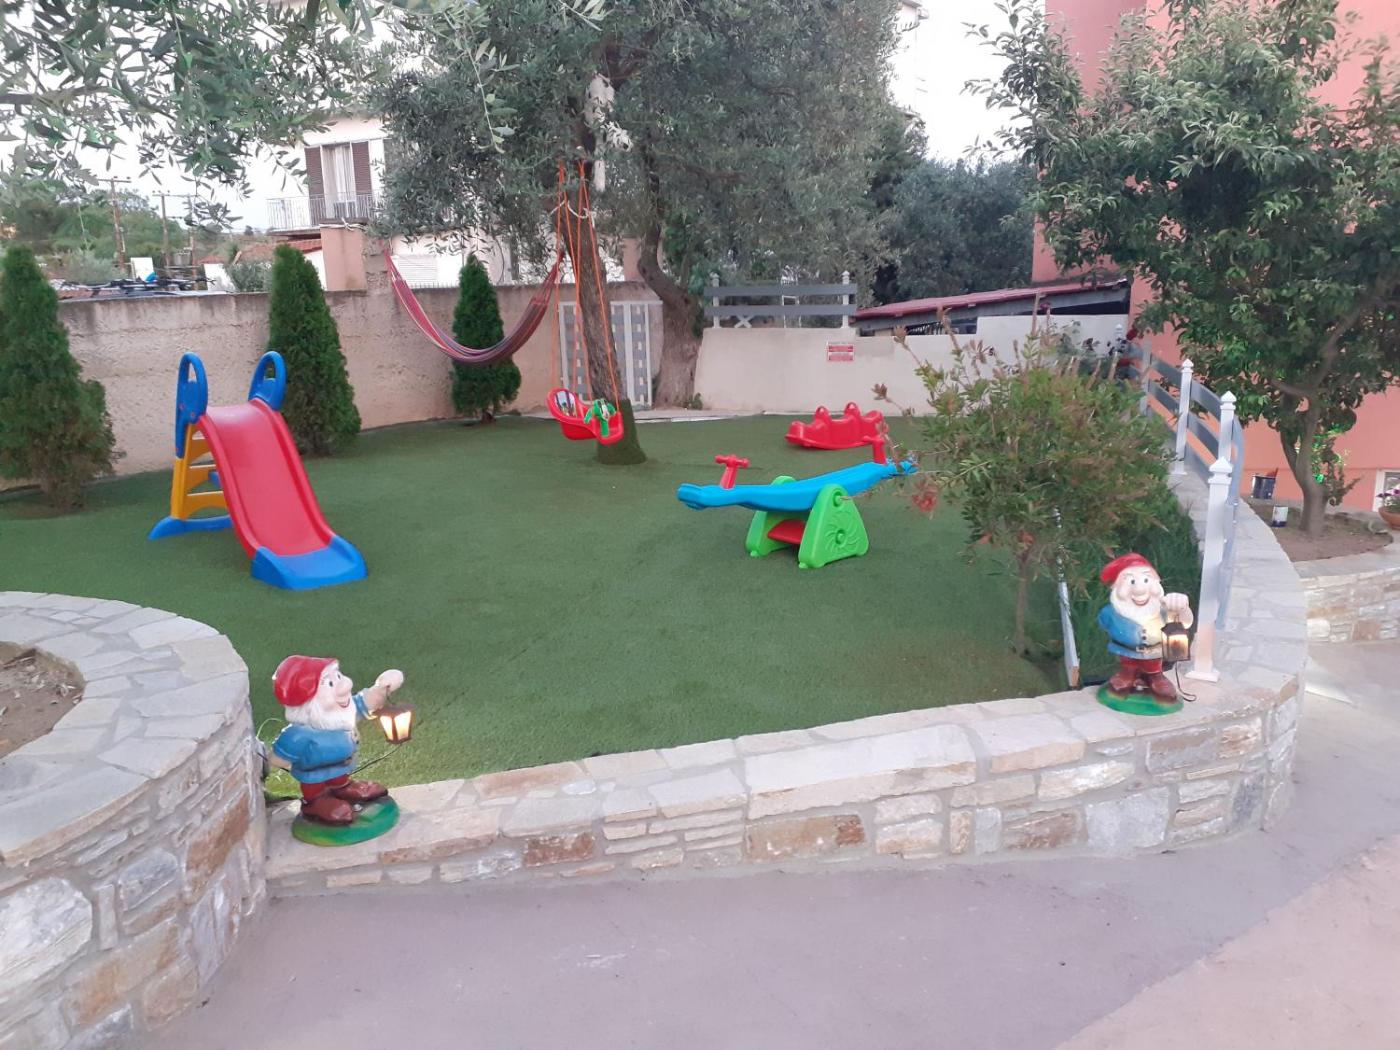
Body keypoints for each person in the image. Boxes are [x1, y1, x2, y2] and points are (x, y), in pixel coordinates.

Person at [269, 655, 404, 826]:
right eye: (331, 683)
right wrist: (268, 763)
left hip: (342, 765)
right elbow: (278, 758)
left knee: (339, 777)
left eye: (339, 676)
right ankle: (315, 802)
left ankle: (342, 787)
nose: (346, 685)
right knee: (314, 786)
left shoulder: (343, 712)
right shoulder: (298, 734)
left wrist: (382, 687)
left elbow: (368, 701)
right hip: (314, 774)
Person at [1096, 553, 1193, 702]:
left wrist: (1182, 608)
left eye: (1146, 580)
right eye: (1131, 582)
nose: (1139, 590)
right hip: (1125, 651)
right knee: (1128, 665)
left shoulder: (1163, 609)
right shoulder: (1111, 613)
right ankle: (1127, 674)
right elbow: (1103, 624)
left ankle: (1155, 676)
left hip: (1154, 653)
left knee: (1153, 666)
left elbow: (1185, 623)